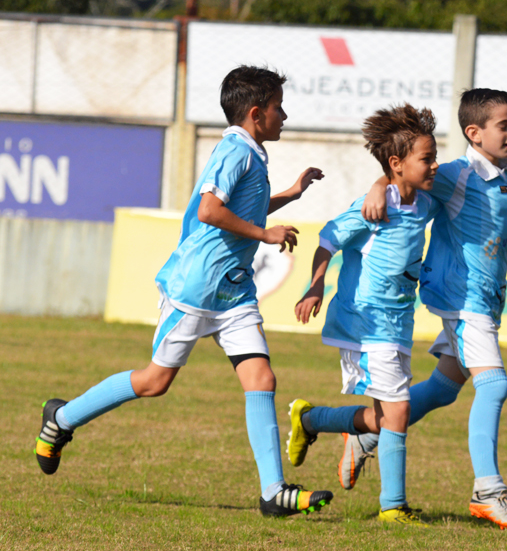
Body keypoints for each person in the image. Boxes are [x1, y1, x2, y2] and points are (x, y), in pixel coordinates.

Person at [34, 65, 334, 518]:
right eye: (277, 107)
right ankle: (62, 418)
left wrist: (290, 193)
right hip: (197, 288)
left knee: (262, 380)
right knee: (155, 382)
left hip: (233, 294)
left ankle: (273, 492)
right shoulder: (234, 152)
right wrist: (264, 234)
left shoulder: (249, 152)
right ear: (256, 113)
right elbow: (212, 211)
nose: (284, 115)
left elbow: (237, 204)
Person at [343, 88, 507, 531]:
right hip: (461, 300)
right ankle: (487, 491)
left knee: (445, 388)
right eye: (502, 125)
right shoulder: (454, 174)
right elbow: (401, 179)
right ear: (474, 132)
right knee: (495, 387)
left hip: (485, 301)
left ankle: (363, 429)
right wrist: (377, 184)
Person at [288, 104, 441, 526]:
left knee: (387, 414)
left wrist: (382, 179)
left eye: (433, 157)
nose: (434, 165)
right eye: (426, 159)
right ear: (397, 163)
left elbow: (429, 180)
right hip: (365, 321)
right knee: (398, 412)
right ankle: (393, 507)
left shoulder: (425, 201)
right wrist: (316, 284)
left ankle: (313, 418)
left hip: (397, 321)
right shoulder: (373, 207)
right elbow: (327, 241)